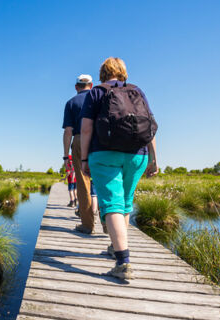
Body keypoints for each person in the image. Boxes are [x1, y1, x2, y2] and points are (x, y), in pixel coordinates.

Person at [80, 57, 158, 279]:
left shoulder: (96, 92)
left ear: (103, 73)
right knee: (124, 202)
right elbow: (150, 126)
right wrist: (154, 158)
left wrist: (84, 159)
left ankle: (123, 262)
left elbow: (86, 129)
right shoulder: (137, 91)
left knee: (112, 203)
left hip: (104, 154)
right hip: (137, 155)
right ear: (123, 72)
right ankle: (116, 247)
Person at [62, 74, 96, 234]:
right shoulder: (100, 98)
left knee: (83, 183)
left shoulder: (71, 103)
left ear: (76, 87)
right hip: (99, 140)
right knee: (104, 181)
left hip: (79, 140)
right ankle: (108, 224)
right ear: (92, 85)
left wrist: (65, 155)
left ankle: (88, 225)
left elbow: (68, 131)